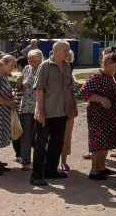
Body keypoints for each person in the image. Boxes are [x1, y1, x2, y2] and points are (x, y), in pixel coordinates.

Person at [32, 40, 74, 187]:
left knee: (57, 143)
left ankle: (51, 170)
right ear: (55, 51)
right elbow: (39, 89)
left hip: (61, 112)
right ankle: (36, 176)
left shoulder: (68, 66)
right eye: (65, 50)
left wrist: (71, 108)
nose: (68, 52)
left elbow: (69, 89)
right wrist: (41, 111)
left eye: (68, 50)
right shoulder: (45, 66)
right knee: (40, 144)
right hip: (46, 112)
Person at [80, 52, 116, 180]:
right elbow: (84, 92)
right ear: (107, 64)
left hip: (108, 117)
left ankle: (101, 168)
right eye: (115, 67)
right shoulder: (97, 76)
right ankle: (94, 170)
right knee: (98, 143)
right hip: (98, 116)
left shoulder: (109, 76)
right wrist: (101, 99)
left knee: (105, 142)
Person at [18, 49, 43, 170]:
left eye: (33, 59)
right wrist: (19, 83)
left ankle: (41, 161)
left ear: (40, 59)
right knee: (26, 135)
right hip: (26, 107)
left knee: (41, 136)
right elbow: (22, 84)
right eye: (29, 59)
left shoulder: (44, 69)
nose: (30, 61)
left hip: (40, 107)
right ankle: (25, 161)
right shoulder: (26, 68)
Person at [61, 49, 78, 172]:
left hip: (69, 110)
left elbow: (74, 91)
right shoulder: (50, 69)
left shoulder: (71, 73)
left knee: (66, 136)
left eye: (69, 60)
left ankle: (63, 161)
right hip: (56, 109)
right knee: (54, 136)